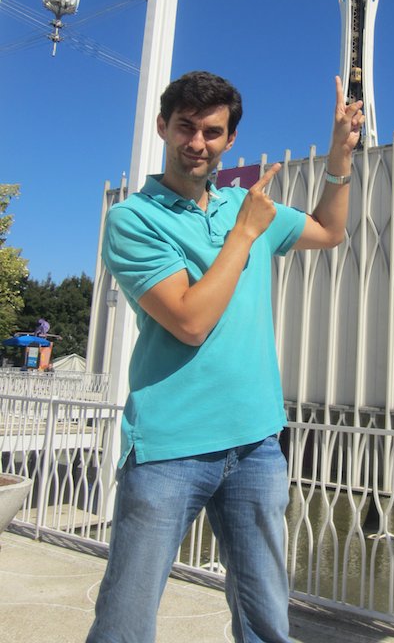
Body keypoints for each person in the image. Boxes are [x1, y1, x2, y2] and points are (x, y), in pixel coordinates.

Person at [86, 70, 364, 643]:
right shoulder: (133, 220)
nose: (197, 142)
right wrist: (243, 235)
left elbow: (327, 231)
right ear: (162, 126)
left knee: (267, 622)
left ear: (229, 139)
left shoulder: (246, 205)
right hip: (170, 447)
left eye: (211, 132)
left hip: (257, 444)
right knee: (125, 624)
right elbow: (189, 320)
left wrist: (339, 159)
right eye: (185, 127)